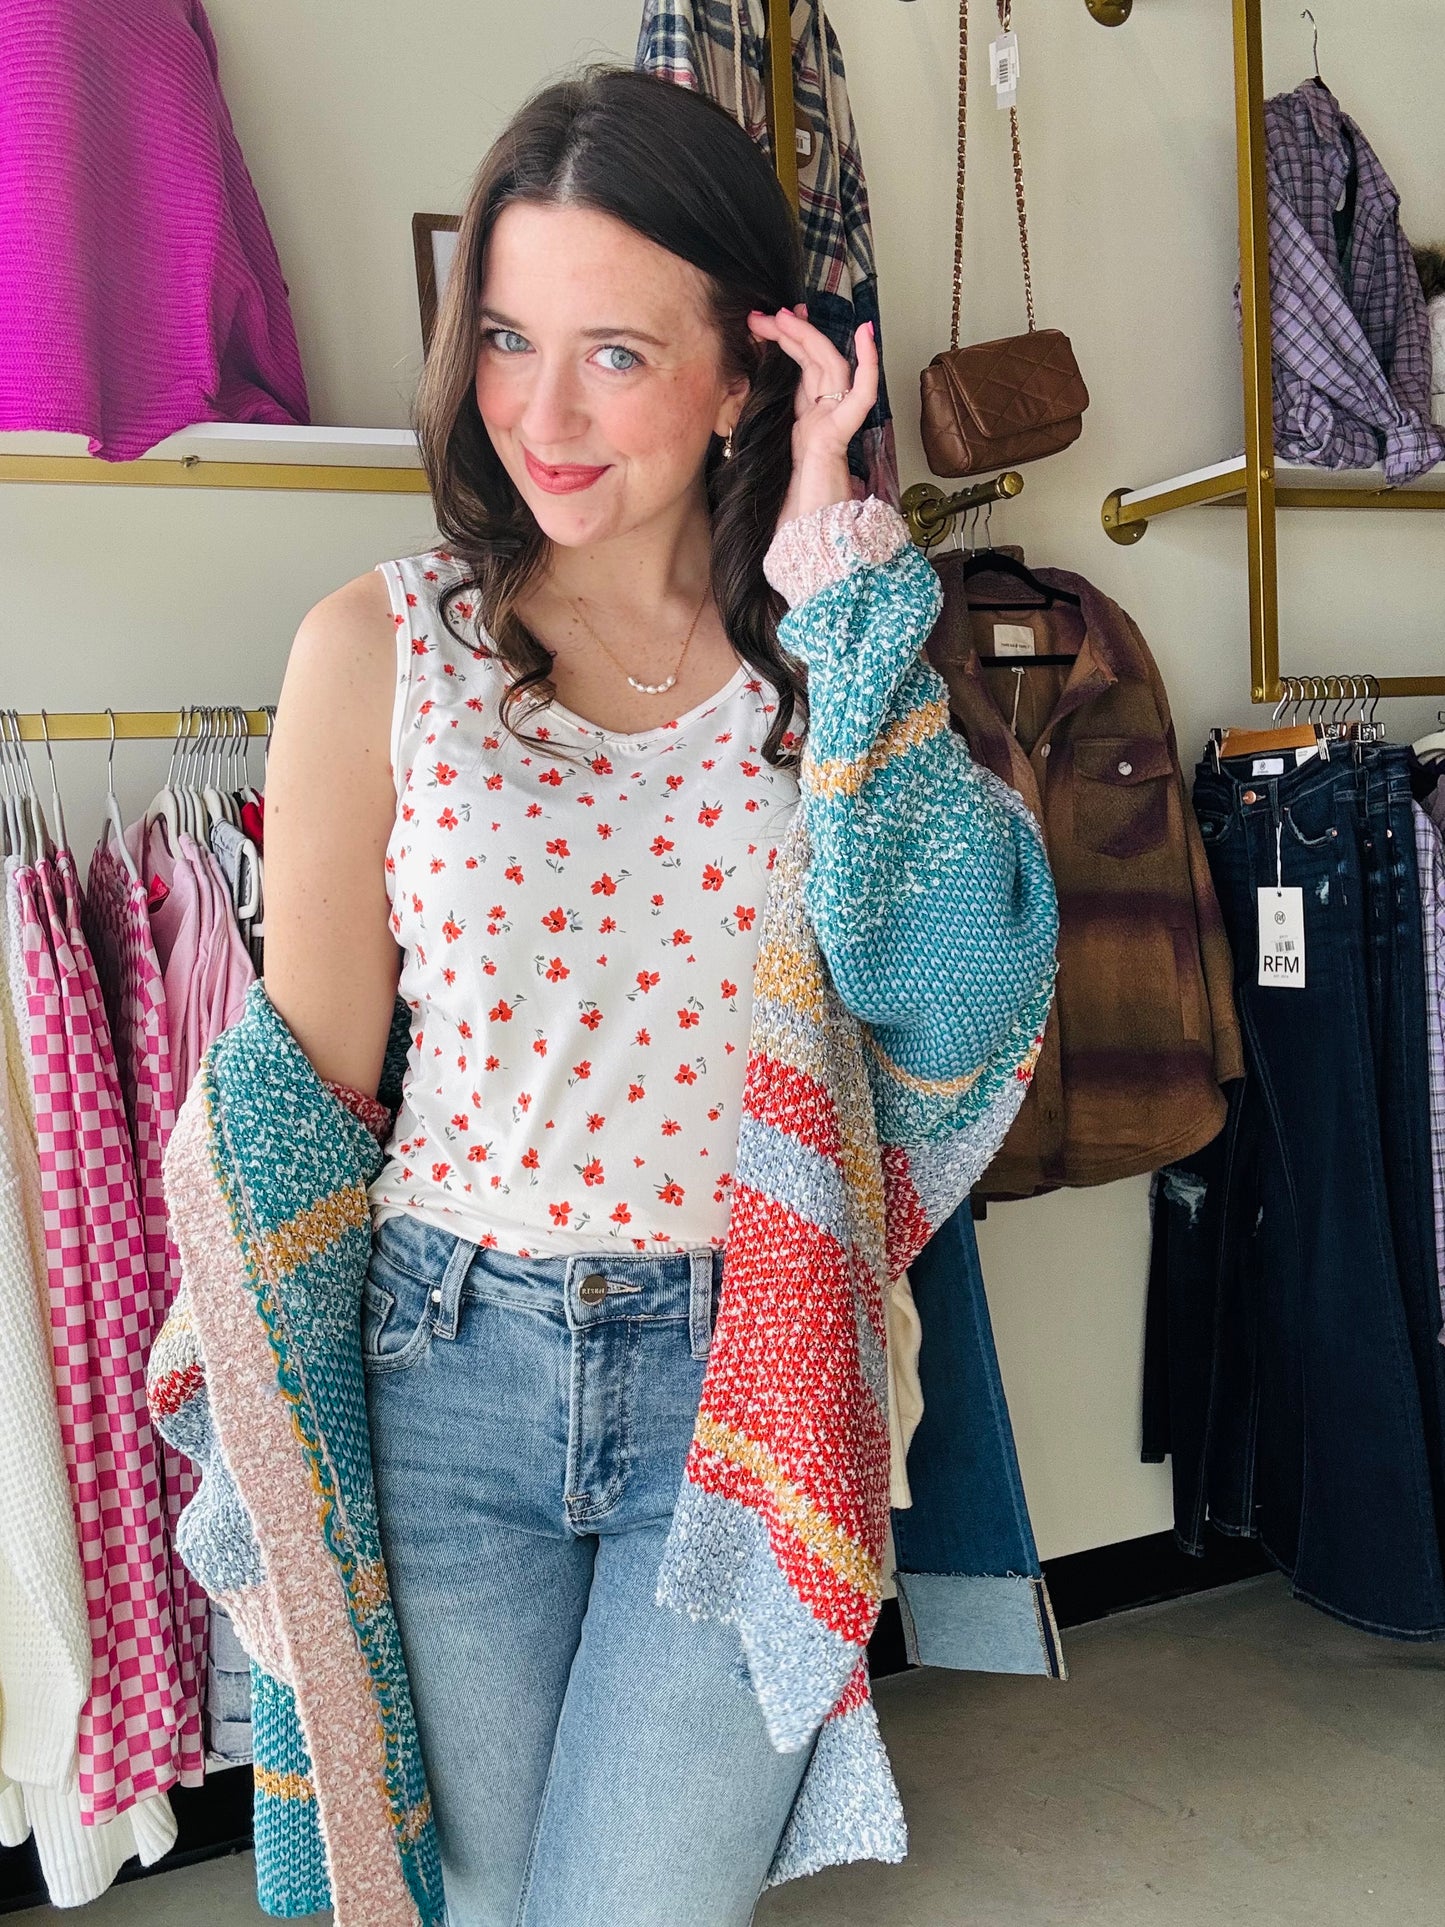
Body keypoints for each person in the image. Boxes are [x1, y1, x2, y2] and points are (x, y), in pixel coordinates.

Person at [258, 61, 955, 1927]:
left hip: (748, 1368)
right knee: (474, 1909)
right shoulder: (380, 647)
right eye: (501, 337)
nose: (536, 417)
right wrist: (264, 1431)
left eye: (615, 356)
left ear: (751, 373)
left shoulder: (833, 652)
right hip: (442, 1363)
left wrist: (840, 567)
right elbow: (304, 1099)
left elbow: (964, 987)